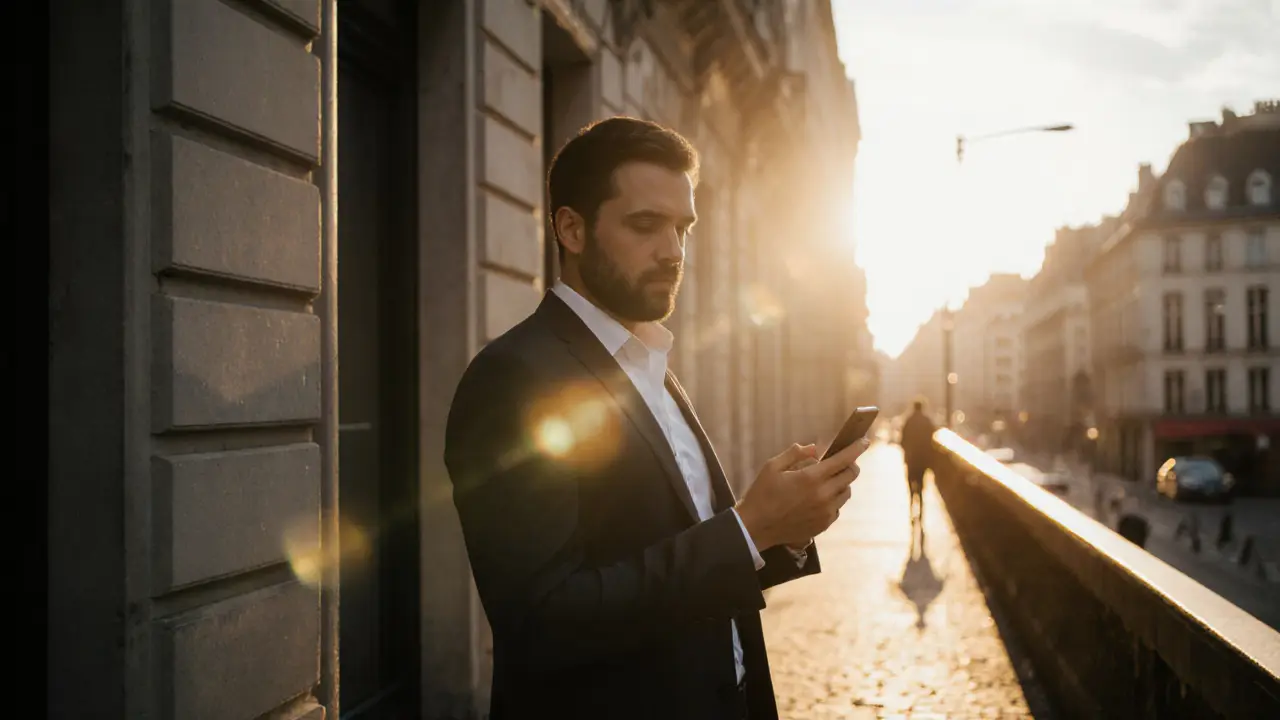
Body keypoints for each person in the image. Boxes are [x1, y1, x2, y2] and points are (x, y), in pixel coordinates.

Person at [443, 117, 868, 720]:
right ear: (571, 228)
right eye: (645, 225)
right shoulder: (514, 379)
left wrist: (780, 531)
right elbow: (544, 620)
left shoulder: (651, 364)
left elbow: (680, 556)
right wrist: (746, 529)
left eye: (683, 228)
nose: (673, 251)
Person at [899, 400, 937, 524]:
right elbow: (933, 438)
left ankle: (911, 505)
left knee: (910, 480)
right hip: (923, 458)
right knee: (921, 482)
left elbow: (902, 440)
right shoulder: (927, 421)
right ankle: (920, 507)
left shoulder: (908, 421)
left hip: (911, 458)